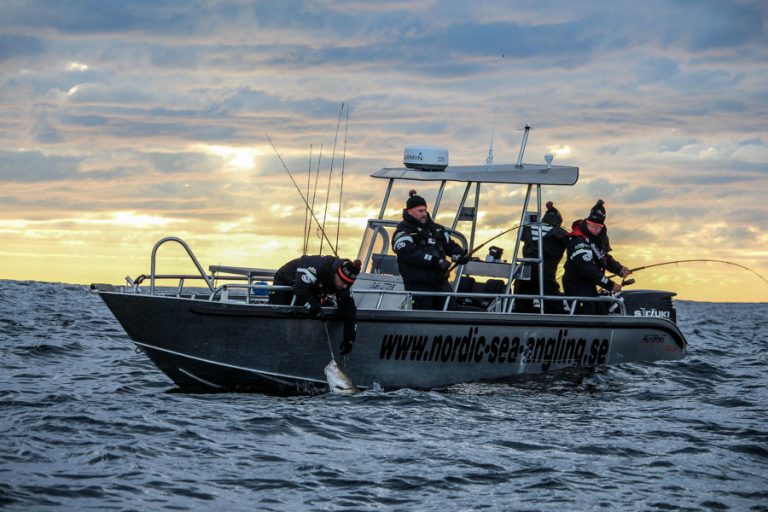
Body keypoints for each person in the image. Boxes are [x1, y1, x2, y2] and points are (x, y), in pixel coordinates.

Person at [269, 255, 361, 355]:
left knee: (326, 307)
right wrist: (315, 309)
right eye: (343, 282)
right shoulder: (317, 265)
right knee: (297, 311)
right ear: (336, 273)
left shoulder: (342, 285)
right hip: (286, 283)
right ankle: (286, 348)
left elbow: (349, 310)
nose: (344, 286)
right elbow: (299, 289)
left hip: (313, 289)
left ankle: (309, 351)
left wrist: (350, 338)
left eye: (348, 284)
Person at [392, 190, 468, 310]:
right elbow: (408, 253)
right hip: (418, 286)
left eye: (425, 210)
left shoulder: (436, 230)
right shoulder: (403, 232)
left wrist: (459, 254)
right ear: (410, 212)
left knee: (451, 310)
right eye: (420, 211)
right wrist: (434, 261)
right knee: (423, 314)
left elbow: (450, 245)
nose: (424, 214)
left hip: (441, 283)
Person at [562, 199, 631, 315]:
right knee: (587, 313)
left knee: (601, 312)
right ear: (586, 223)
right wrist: (610, 285)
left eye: (598, 227)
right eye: (592, 226)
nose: (595, 229)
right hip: (576, 286)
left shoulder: (597, 240)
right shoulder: (577, 240)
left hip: (590, 286)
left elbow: (603, 257)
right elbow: (588, 269)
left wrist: (619, 269)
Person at [513, 201, 569, 313]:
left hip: (525, 272)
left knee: (522, 305)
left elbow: (522, 235)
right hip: (545, 273)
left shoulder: (528, 228)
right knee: (554, 307)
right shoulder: (561, 232)